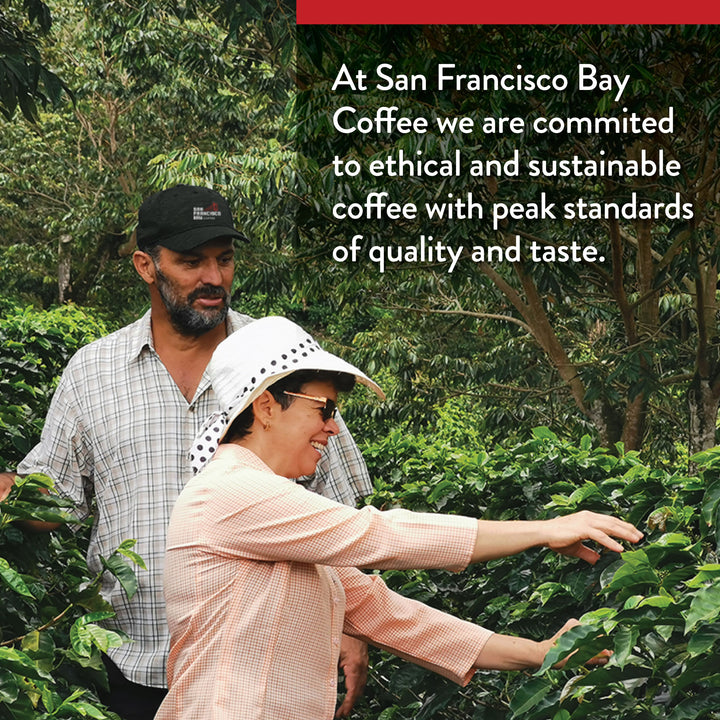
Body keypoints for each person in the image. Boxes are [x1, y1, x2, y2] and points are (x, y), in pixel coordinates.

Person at [0, 185, 371, 719]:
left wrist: (351, 622)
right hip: (130, 670)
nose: (214, 279)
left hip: (261, 672)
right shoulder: (92, 372)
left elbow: (337, 513)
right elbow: (49, 500)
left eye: (224, 259)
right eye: (192, 261)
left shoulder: (283, 360)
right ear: (146, 265)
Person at [157, 315, 644, 720]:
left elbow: (390, 617)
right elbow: (379, 534)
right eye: (324, 408)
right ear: (266, 406)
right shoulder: (231, 492)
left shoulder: (279, 516)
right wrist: (545, 530)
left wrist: (541, 652)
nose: (332, 426)